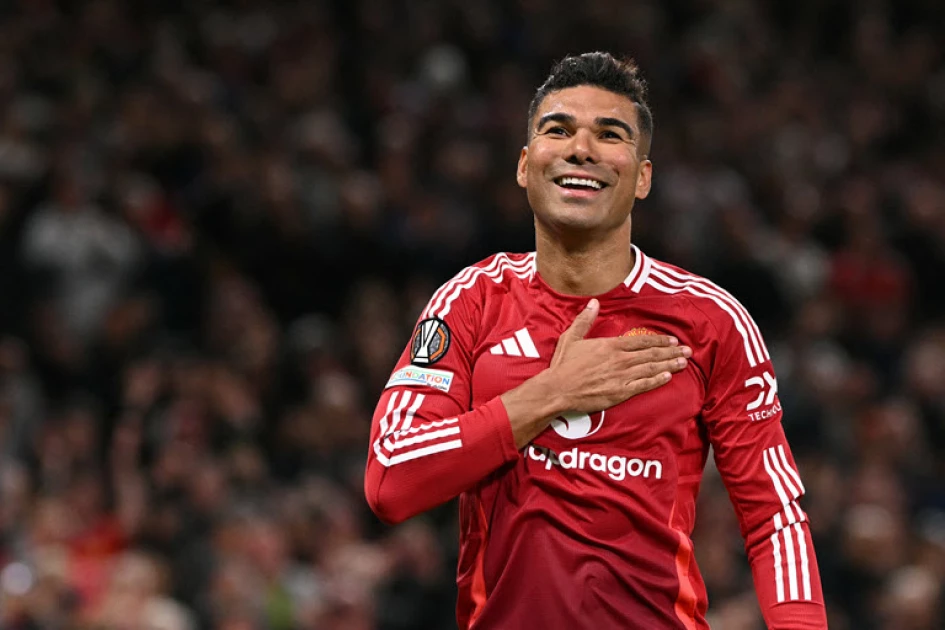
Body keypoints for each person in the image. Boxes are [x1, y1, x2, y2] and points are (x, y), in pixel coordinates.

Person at [364, 52, 828, 629]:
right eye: (558, 130)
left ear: (643, 178)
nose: (581, 148)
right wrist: (553, 393)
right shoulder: (472, 300)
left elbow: (774, 517)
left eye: (610, 134)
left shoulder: (711, 320)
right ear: (525, 165)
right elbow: (391, 479)